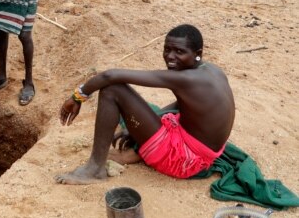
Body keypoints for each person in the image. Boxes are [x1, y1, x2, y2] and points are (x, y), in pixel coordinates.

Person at [55, 24, 235, 185]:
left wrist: (77, 97)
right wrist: (138, 129)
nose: (170, 57)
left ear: (198, 54)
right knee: (147, 111)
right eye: (167, 49)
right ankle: (138, 150)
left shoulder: (186, 79)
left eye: (179, 52)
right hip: (199, 147)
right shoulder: (212, 70)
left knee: (112, 90)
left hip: (184, 159)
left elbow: (110, 76)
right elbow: (187, 104)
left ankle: (94, 169)